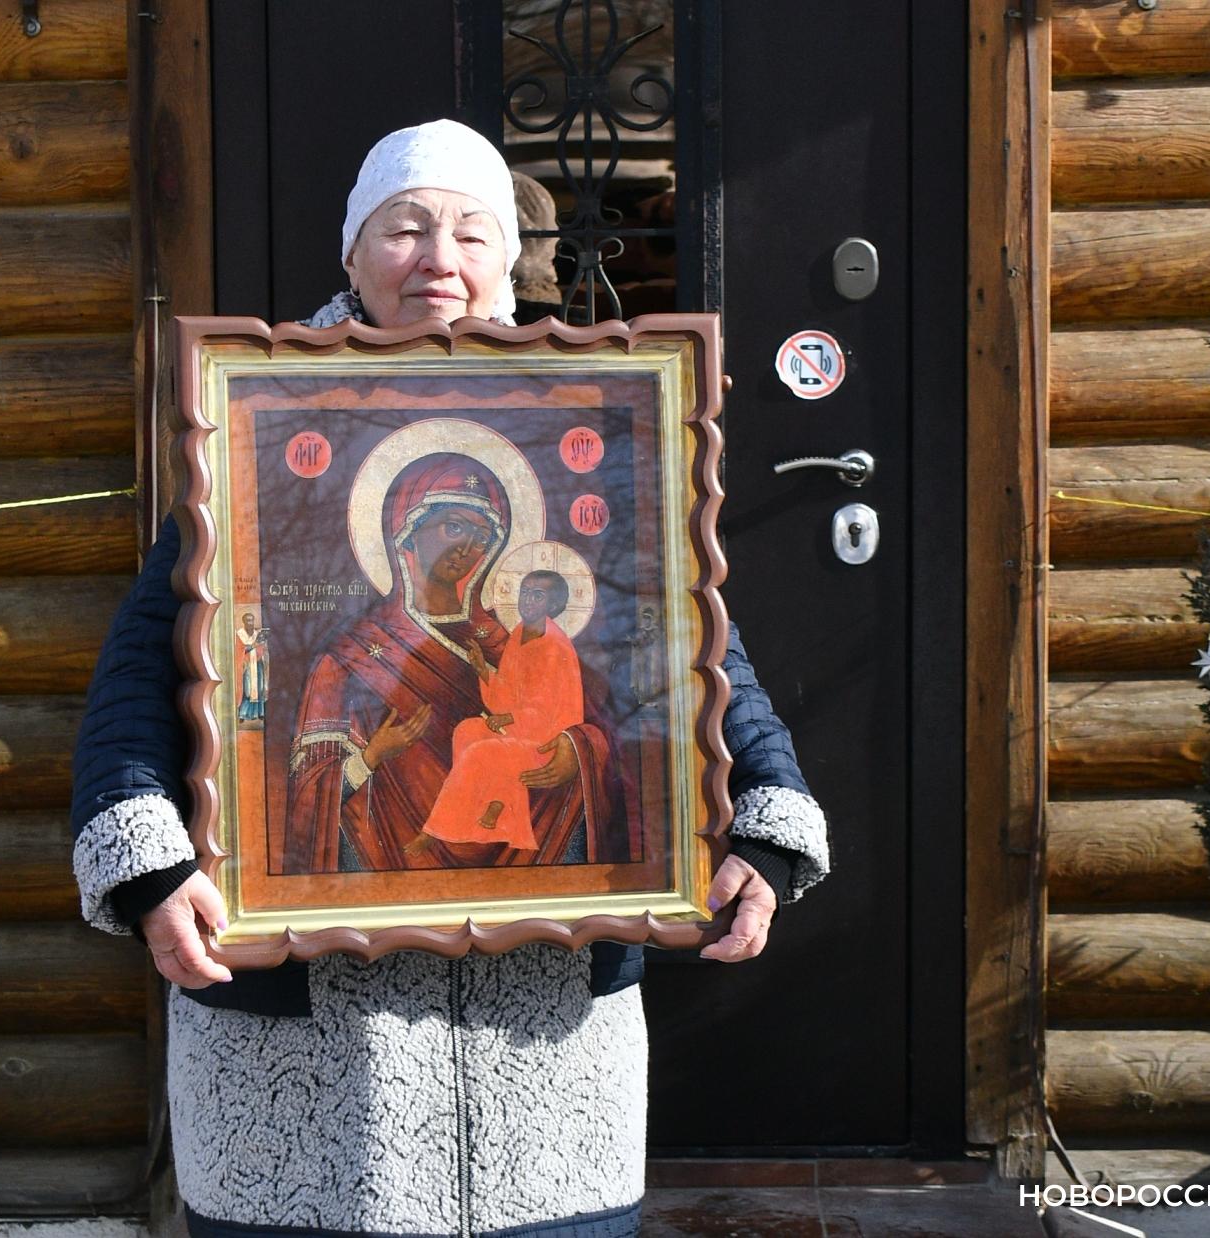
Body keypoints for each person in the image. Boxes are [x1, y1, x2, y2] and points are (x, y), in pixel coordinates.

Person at [71, 118, 830, 1238]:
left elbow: (694, 654)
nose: (441, 256)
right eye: (405, 227)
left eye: (475, 231)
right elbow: (149, 671)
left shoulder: (603, 424)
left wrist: (763, 827)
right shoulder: (260, 433)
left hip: (542, 1060)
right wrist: (149, 864)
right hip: (317, 1071)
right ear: (351, 254)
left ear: (511, 263)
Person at [282, 454, 624, 873]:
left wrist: (577, 750)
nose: (466, 549)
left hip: (532, 876)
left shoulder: (514, 639)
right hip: (387, 872)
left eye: (481, 537)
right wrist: (369, 758)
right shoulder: (349, 656)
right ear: (408, 531)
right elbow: (307, 799)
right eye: (454, 527)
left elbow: (600, 725)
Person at [422, 569, 584, 850]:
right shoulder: (520, 634)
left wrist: (511, 718)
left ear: (554, 605)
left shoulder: (555, 646)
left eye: (538, 595)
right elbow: (506, 695)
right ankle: (490, 807)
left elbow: (550, 713)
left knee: (482, 751)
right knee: (467, 731)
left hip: (545, 741)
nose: (528, 600)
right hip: (520, 728)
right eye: (524, 592)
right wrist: (483, 670)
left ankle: (437, 830)